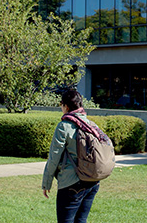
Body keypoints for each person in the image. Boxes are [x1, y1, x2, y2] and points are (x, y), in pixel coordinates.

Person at [42, 89, 101, 223]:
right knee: (81, 221)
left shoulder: (64, 126)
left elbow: (54, 158)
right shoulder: (91, 125)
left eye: (61, 104)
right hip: (92, 182)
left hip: (72, 183)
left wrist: (46, 183)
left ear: (66, 106)